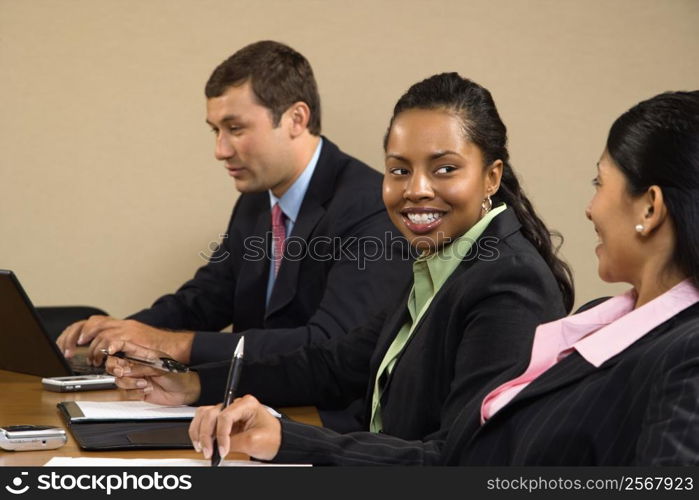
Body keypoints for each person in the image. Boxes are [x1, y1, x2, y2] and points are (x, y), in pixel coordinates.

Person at [106, 72, 574, 465]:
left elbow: (454, 461)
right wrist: (193, 385)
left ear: (491, 176)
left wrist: (290, 439)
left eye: (445, 169)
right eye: (399, 169)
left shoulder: (508, 282)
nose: (417, 189)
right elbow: (334, 364)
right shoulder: (441, 259)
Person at [55, 41, 409, 373]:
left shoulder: (370, 206)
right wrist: (122, 331)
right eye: (215, 131)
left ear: (296, 119)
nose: (220, 150)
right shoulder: (255, 200)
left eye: (235, 128)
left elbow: (330, 344)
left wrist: (175, 345)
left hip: (326, 421)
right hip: (252, 403)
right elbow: (207, 298)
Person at [444, 90, 699, 465]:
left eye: (599, 183)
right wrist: (324, 448)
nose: (589, 209)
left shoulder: (688, 357)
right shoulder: (603, 319)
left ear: (651, 206)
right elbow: (461, 458)